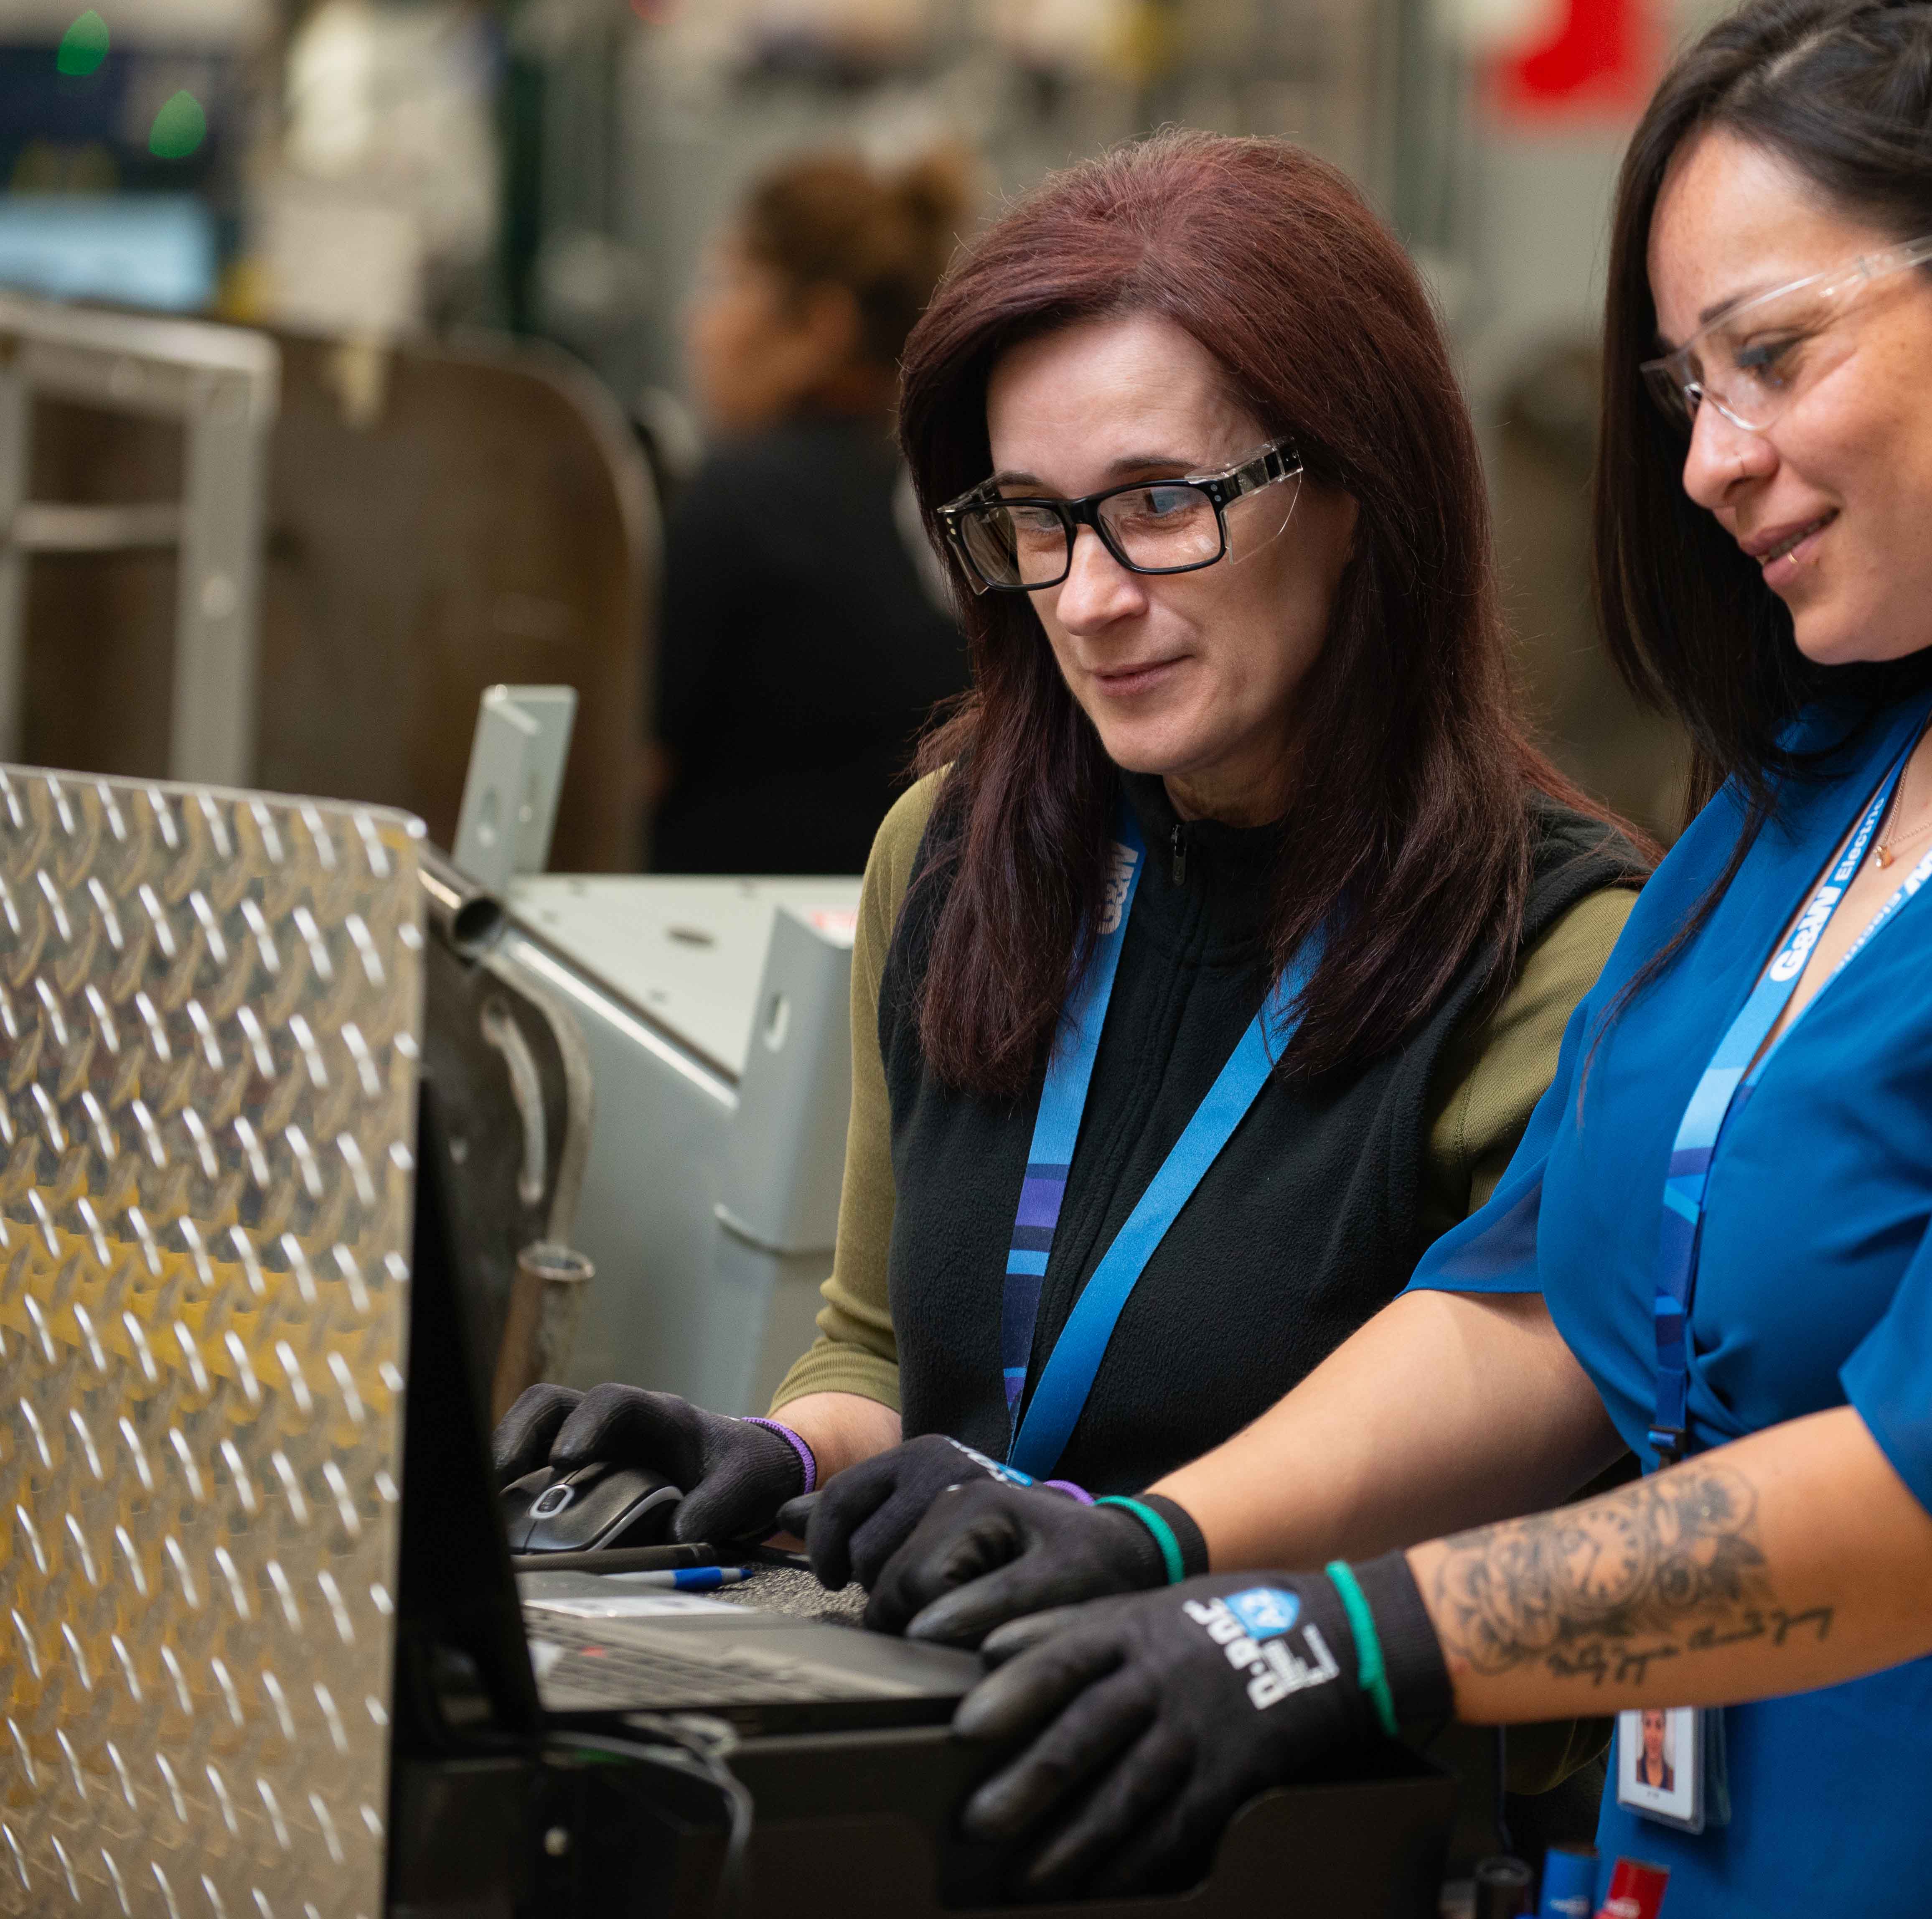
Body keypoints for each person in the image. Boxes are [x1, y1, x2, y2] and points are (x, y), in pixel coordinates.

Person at [872, 0, 1932, 1916]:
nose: (1709, 456)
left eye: (1772, 354)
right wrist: (1154, 1539)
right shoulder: (1815, 792)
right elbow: (1537, 1309)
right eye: (1689, 388)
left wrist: (1334, 1637)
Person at [496, 132, 1647, 1703]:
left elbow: (1533, 1452)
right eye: (1036, 521)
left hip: (1280, 1790)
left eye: (1162, 504)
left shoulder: (1553, 955)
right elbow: (886, 1348)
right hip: (962, 1743)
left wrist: (1143, 1543)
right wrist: (764, 1452)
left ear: (1359, 492)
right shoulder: (959, 857)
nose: (1091, 597)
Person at [651, 147, 975, 873]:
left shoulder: (741, 500)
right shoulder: (947, 484)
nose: (695, 324)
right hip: (912, 931)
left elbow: (635, 764)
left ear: (820, 327)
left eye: (728, 283)